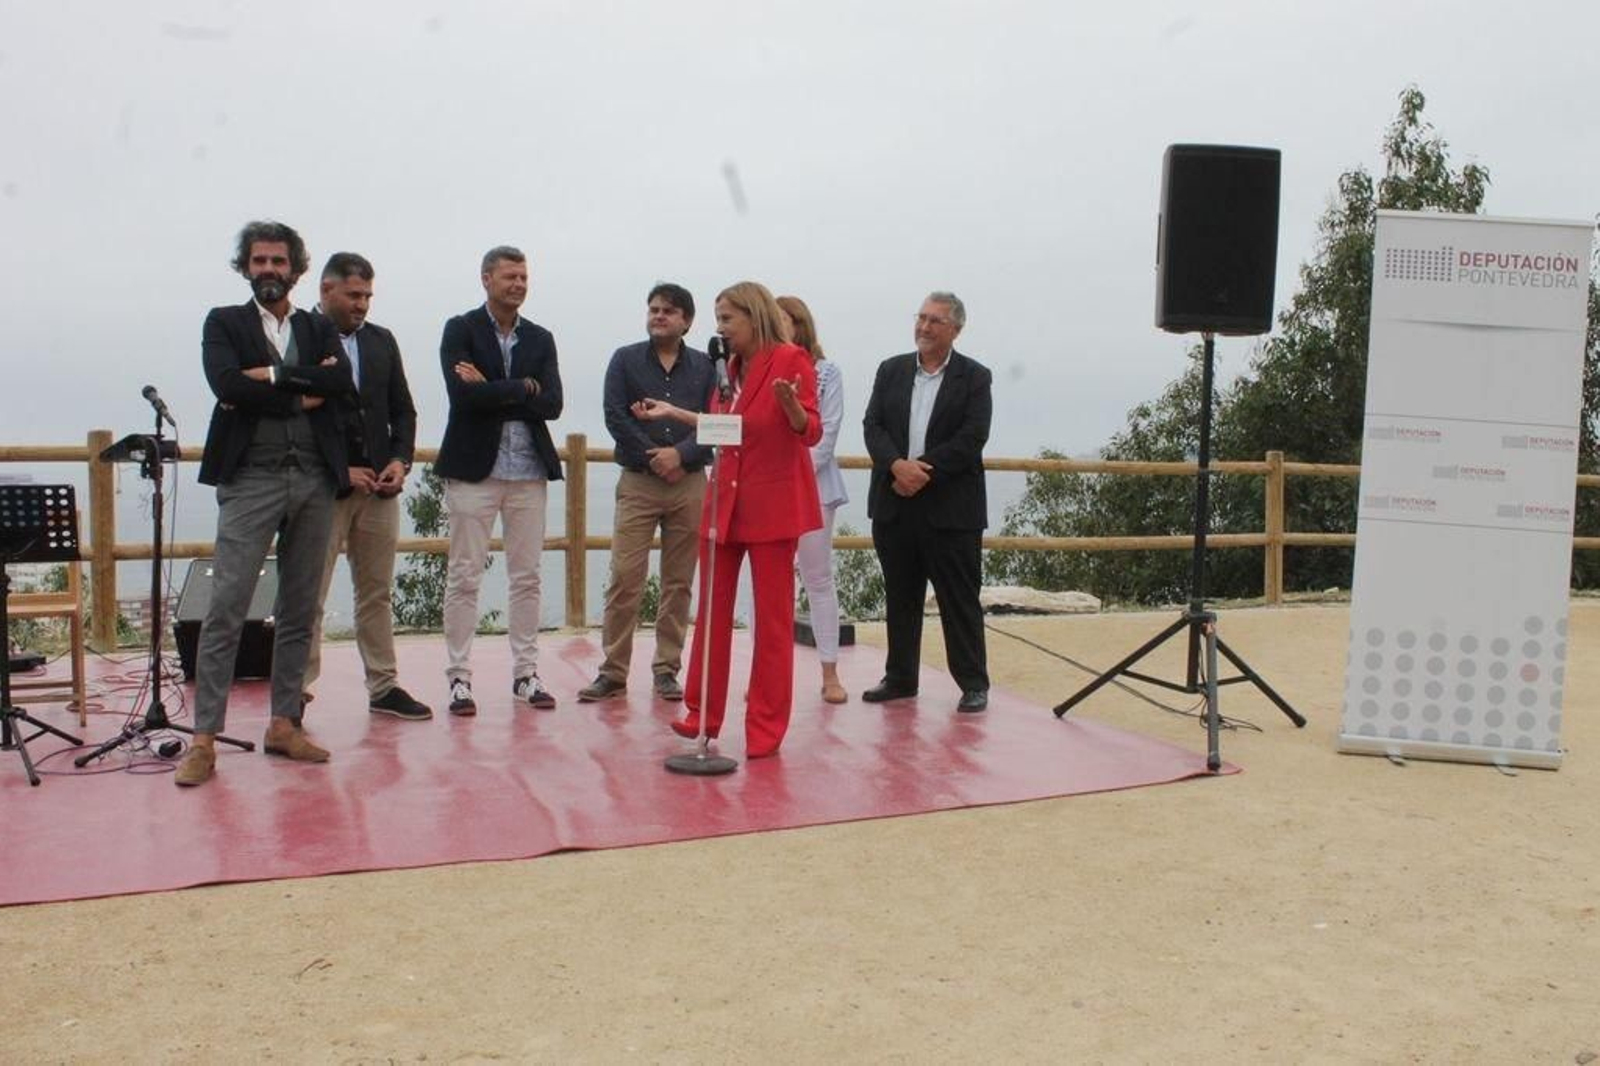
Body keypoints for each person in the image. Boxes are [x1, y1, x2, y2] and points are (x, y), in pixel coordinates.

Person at [175, 220, 355, 787]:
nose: (269, 270)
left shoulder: (319, 326)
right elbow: (227, 385)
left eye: (279, 261)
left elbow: (342, 383)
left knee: (301, 607)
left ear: (296, 269)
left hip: (314, 479)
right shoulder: (223, 322)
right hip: (251, 477)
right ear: (245, 267)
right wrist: (301, 393)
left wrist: (273, 375)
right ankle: (204, 739)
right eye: (259, 261)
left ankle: (284, 723)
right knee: (227, 605)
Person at [633, 281, 821, 757]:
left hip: (773, 507)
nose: (720, 329)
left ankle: (765, 726)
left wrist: (794, 409)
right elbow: (727, 430)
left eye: (727, 319)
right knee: (712, 613)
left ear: (753, 316)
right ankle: (702, 713)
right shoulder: (727, 370)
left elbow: (811, 431)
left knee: (773, 623)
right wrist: (675, 411)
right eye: (717, 319)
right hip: (726, 506)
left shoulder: (790, 360)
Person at [434, 246, 564, 715]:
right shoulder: (461, 329)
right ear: (486, 278)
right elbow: (461, 398)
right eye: (510, 276)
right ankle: (459, 678)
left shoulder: (541, 338)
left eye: (524, 276)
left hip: (528, 471)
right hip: (475, 470)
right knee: (464, 574)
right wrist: (522, 388)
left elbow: (552, 404)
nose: (519, 284)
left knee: (526, 576)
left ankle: (526, 673)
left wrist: (493, 386)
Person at [303, 252, 431, 721]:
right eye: (354, 295)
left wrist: (400, 460)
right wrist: (341, 472)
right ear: (326, 290)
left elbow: (403, 409)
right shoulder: (301, 335)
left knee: (375, 592)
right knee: (309, 593)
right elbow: (298, 416)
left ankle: (383, 684)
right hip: (325, 487)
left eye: (368, 296)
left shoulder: (382, 341)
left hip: (379, 488)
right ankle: (295, 693)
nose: (362, 305)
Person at [578, 284, 714, 703]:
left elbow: (716, 421)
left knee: (679, 583)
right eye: (653, 309)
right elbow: (615, 416)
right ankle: (613, 671)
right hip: (638, 481)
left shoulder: (708, 367)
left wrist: (680, 455)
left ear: (686, 320)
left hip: (690, 482)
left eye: (668, 311)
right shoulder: (625, 359)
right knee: (624, 577)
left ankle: (666, 670)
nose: (658, 316)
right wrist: (656, 457)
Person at [861, 291, 993, 713]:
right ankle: (900, 677)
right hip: (894, 502)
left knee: (959, 598)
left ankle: (973, 682)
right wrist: (897, 466)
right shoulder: (891, 370)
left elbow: (972, 438)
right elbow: (873, 425)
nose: (924, 327)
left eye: (935, 320)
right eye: (920, 317)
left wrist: (920, 472)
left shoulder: (975, 377)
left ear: (955, 328)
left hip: (950, 509)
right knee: (901, 595)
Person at [776, 295, 849, 704]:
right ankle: (767, 673)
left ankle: (830, 672)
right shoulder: (754, 370)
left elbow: (827, 433)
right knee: (769, 585)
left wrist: (789, 474)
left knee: (818, 579)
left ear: (800, 325)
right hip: (768, 490)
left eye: (783, 321)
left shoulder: (826, 373)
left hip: (814, 487)